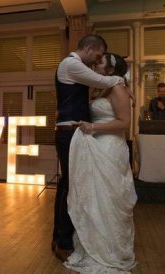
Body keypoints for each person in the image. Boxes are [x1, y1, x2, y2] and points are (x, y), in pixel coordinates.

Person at [53, 34, 126, 262]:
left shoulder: (77, 68)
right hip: (69, 133)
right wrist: (123, 81)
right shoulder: (71, 64)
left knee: (71, 186)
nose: (98, 59)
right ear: (90, 48)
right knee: (70, 188)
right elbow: (104, 81)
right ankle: (62, 242)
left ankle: (64, 238)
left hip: (77, 133)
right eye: (99, 54)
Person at [64, 53, 137, 273]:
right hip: (96, 146)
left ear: (111, 69)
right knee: (94, 197)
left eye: (100, 63)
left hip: (111, 147)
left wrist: (94, 127)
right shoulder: (101, 88)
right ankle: (92, 246)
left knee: (109, 197)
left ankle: (111, 250)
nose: (96, 65)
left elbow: (124, 123)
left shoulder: (117, 89)